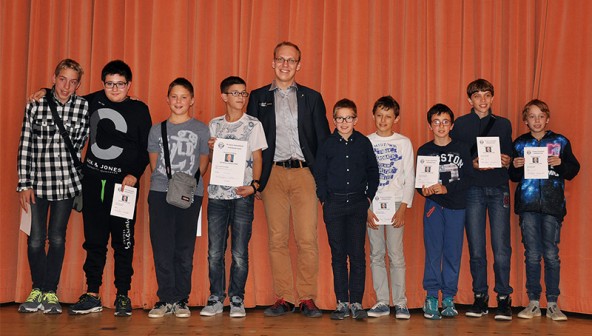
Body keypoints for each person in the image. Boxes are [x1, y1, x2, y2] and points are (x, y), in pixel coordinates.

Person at [246, 41, 330, 318]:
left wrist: (323, 179)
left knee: (307, 239)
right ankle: (284, 297)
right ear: (272, 62)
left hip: (306, 174)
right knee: (277, 239)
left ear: (298, 65)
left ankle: (306, 297)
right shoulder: (258, 97)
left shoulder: (312, 97)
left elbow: (323, 141)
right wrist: (255, 180)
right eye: (280, 59)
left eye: (291, 60)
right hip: (273, 175)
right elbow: (251, 143)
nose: (285, 65)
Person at [64, 60, 152, 316]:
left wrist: (134, 174)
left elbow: (146, 148)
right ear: (103, 84)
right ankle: (92, 293)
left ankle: (123, 295)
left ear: (129, 85)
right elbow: (63, 95)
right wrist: (44, 92)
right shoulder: (90, 101)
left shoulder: (139, 109)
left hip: (123, 187)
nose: (115, 89)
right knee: (94, 241)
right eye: (110, 84)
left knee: (124, 242)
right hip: (92, 183)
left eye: (120, 84)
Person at [17, 59, 89, 314]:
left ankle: (50, 292)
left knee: (57, 238)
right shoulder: (36, 104)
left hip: (66, 183)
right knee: (36, 239)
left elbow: (80, 144)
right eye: (62, 79)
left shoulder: (83, 107)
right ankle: (37, 288)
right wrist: (24, 183)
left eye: (73, 82)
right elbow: (25, 144)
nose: (66, 86)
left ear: (79, 85)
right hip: (37, 184)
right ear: (54, 78)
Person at [199, 76, 267, 318]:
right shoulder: (214, 124)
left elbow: (258, 158)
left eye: (244, 93)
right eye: (236, 93)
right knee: (215, 251)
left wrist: (254, 186)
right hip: (217, 195)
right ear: (224, 96)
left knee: (239, 252)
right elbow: (208, 158)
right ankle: (216, 297)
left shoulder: (253, 125)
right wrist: (209, 147)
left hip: (242, 195)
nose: (241, 97)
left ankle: (237, 298)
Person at [509, 99, 580, 321]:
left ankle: (552, 303)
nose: (537, 120)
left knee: (551, 254)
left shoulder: (560, 141)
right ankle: (532, 302)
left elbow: (573, 170)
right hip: (528, 206)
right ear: (525, 120)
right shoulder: (520, 143)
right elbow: (512, 176)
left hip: (552, 206)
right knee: (531, 254)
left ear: (547, 119)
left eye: (541, 116)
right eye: (532, 116)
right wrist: (515, 166)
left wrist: (560, 163)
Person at [450, 79, 514, 320]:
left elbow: (508, 155)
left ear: (493, 98)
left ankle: (504, 298)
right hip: (473, 189)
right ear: (469, 100)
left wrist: (507, 160)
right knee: (476, 248)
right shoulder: (460, 125)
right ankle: (480, 297)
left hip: (498, 188)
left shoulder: (503, 124)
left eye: (487, 95)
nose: (483, 100)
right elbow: (455, 158)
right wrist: (471, 164)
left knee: (501, 248)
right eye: (477, 96)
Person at [146, 78, 210, 318]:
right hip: (160, 190)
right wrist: (168, 182)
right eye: (174, 96)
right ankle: (166, 298)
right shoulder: (156, 129)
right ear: (167, 99)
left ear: (192, 100)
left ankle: (181, 299)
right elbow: (154, 163)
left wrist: (185, 184)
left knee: (184, 247)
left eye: (184, 97)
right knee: (162, 246)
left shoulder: (202, 129)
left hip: (190, 193)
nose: (179, 101)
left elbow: (203, 163)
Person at [314, 99, 379, 320]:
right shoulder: (327, 144)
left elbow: (373, 172)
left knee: (357, 255)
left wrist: (368, 198)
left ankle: (357, 303)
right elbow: (320, 174)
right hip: (334, 205)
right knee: (338, 256)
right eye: (340, 118)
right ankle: (342, 302)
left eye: (348, 117)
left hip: (358, 205)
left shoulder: (363, 143)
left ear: (356, 119)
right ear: (334, 120)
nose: (344, 122)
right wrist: (324, 199)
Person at [417, 104, 473, 320]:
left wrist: (447, 188)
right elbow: (418, 184)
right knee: (433, 252)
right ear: (430, 125)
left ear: (451, 125)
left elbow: (468, 178)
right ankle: (431, 297)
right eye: (436, 122)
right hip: (434, 206)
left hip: (456, 206)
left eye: (445, 122)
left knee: (452, 253)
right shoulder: (424, 150)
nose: (441, 126)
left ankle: (448, 297)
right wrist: (424, 190)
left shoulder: (461, 148)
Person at [365, 96, 415, 319]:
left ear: (396, 118)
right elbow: (361, 178)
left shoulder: (404, 143)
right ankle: (382, 301)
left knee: (395, 254)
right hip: (373, 205)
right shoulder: (365, 142)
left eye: (388, 116)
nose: (383, 120)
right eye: (379, 115)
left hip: (395, 204)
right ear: (373, 116)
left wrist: (403, 207)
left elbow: (409, 176)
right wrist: (366, 208)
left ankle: (401, 302)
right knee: (376, 253)